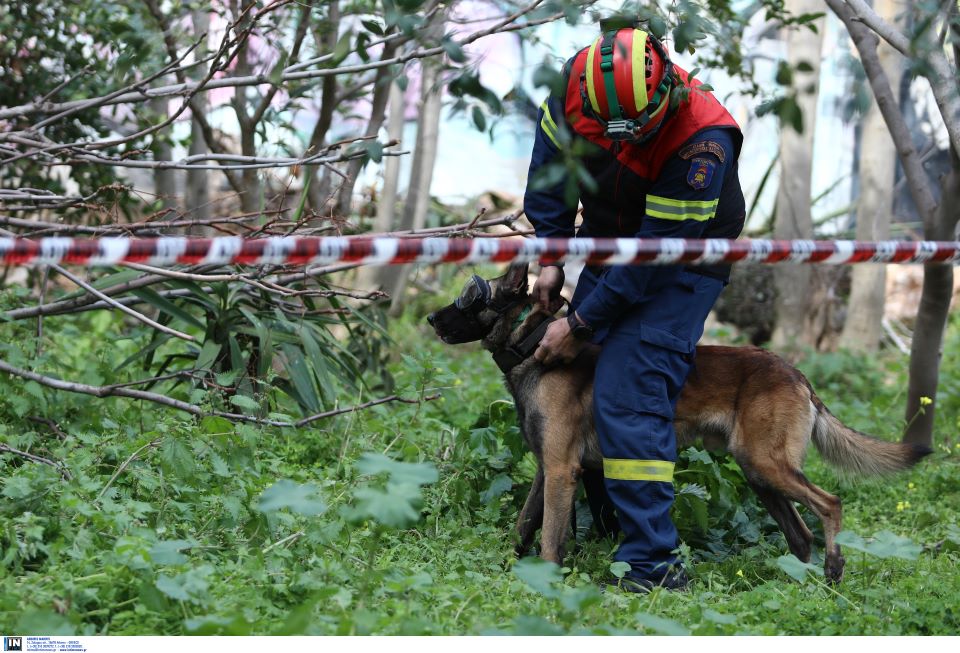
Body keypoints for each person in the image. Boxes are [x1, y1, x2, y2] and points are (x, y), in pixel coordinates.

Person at [525, 19, 746, 591]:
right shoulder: (571, 89)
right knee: (582, 382)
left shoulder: (702, 139)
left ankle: (652, 565)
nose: (621, 139)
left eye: (635, 128)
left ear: (665, 90)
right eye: (609, 129)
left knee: (628, 393)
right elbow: (550, 177)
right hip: (612, 243)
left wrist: (580, 322)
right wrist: (551, 257)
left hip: (680, 261)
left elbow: (654, 259)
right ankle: (606, 526)